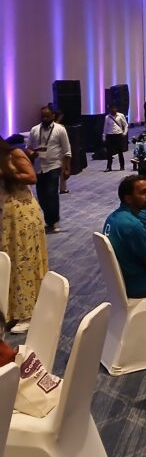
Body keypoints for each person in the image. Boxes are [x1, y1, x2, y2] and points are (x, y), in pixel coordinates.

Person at [0, 139, 48, 332]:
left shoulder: (14, 155)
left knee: (23, 260)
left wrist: (5, 174)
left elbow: (31, 177)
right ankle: (10, 311)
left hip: (21, 214)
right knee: (7, 261)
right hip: (5, 216)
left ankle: (27, 313)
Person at [103, 175, 146, 298]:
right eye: (143, 192)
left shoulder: (111, 218)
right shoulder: (133, 225)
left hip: (125, 282)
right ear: (128, 198)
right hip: (142, 286)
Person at [27, 106, 71, 232]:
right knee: (41, 196)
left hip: (54, 166)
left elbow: (67, 151)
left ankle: (54, 221)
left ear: (53, 116)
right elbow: (28, 147)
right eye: (43, 116)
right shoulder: (34, 130)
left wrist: (67, 169)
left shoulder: (60, 129)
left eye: (47, 116)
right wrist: (31, 153)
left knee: (51, 194)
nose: (44, 118)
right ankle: (49, 221)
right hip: (38, 167)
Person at [103, 103, 128, 172]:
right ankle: (109, 167)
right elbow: (105, 127)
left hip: (118, 135)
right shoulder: (107, 117)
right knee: (109, 152)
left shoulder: (120, 115)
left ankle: (122, 166)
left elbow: (125, 125)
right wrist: (104, 136)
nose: (113, 110)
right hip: (110, 135)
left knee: (120, 151)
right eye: (111, 108)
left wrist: (124, 133)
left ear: (116, 109)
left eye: (114, 108)